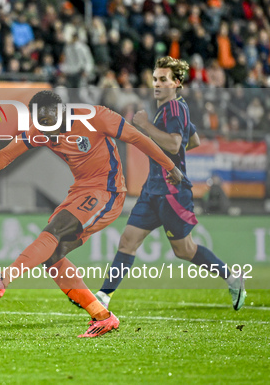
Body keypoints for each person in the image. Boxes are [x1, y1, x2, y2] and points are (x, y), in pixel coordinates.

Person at [0, 90, 183, 338]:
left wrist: (169, 165)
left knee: (54, 231)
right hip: (79, 192)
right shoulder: (40, 131)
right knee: (53, 258)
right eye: (38, 122)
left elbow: (136, 138)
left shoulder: (96, 117)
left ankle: (3, 279)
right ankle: (103, 317)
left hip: (107, 192)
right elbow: (7, 154)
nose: (43, 129)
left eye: (47, 122)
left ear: (61, 112)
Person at [94, 56, 246, 311]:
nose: (156, 84)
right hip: (152, 189)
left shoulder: (174, 108)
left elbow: (176, 143)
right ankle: (104, 295)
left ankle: (232, 278)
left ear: (176, 83)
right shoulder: (175, 107)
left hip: (172, 192)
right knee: (128, 241)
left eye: (162, 80)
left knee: (184, 250)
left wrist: (144, 127)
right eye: (154, 79)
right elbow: (193, 140)